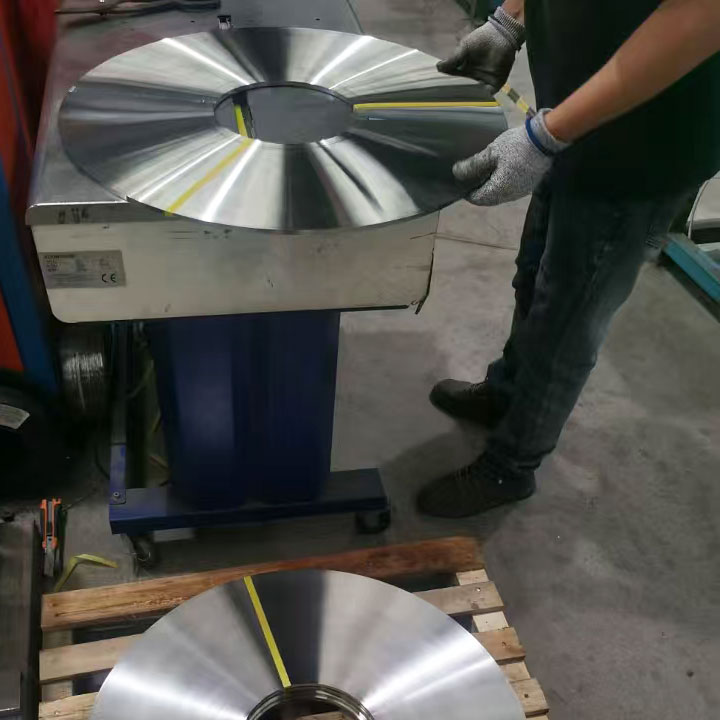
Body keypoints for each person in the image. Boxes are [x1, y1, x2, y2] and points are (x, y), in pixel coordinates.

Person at [418, 0, 720, 518]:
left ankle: (512, 464)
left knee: (569, 317)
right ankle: (507, 392)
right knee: (534, 276)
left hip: (645, 139)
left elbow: (699, 17)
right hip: (573, 113)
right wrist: (510, 18)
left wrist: (547, 136)